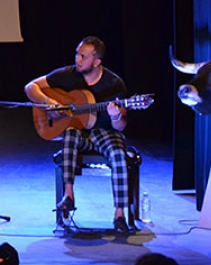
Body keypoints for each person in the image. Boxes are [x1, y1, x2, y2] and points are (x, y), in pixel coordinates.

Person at [24, 35, 131, 233]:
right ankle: (69, 196)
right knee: (70, 134)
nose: (78, 60)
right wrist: (49, 102)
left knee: (118, 154)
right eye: (77, 54)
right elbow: (31, 87)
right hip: (80, 134)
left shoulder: (115, 83)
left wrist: (116, 116)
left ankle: (119, 215)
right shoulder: (68, 74)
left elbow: (121, 126)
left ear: (97, 62)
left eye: (83, 56)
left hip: (105, 132)